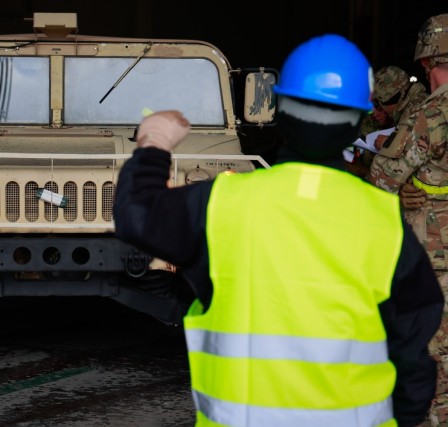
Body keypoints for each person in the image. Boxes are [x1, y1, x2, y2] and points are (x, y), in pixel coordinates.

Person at [113, 33, 444, 427]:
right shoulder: (383, 222)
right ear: (358, 120)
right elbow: (415, 360)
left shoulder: (222, 205)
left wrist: (153, 144)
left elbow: (136, 213)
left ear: (279, 111)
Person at [368, 13, 448, 427]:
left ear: (426, 62)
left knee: (433, 362)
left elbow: (381, 179)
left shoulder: (432, 114)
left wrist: (406, 188)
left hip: (437, 259)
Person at [347, 65, 427, 180]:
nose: (376, 111)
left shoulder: (415, 110)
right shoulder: (414, 104)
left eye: (378, 105)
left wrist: (388, 144)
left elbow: (415, 153)